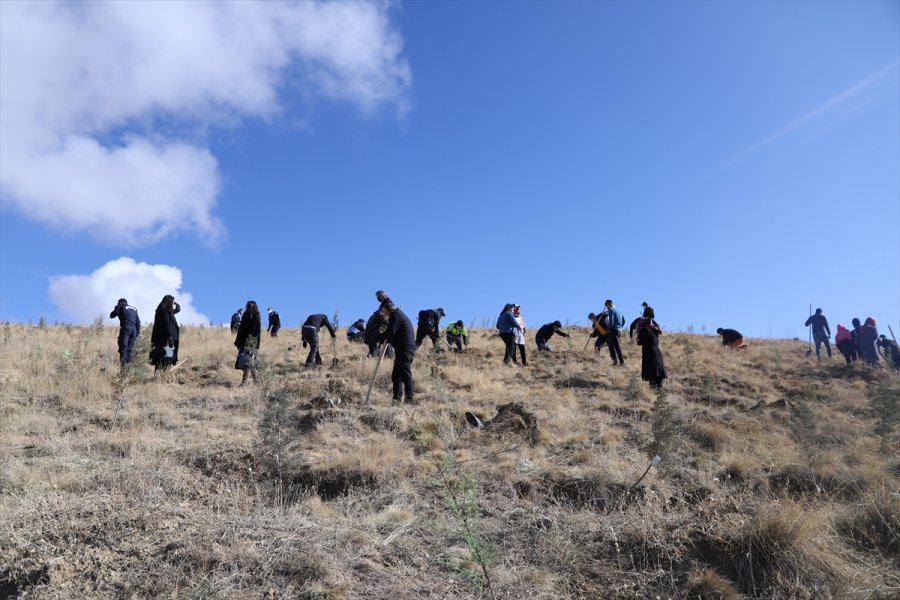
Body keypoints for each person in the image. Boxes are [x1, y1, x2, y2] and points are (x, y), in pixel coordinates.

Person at [375, 299, 416, 402]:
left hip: (405, 349)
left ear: (386, 308)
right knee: (396, 376)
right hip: (402, 349)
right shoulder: (397, 315)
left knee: (405, 374)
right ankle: (396, 399)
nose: (383, 313)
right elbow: (393, 335)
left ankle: (409, 399)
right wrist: (384, 339)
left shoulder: (395, 315)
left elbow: (390, 332)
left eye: (383, 310)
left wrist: (379, 337)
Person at [635, 306, 667, 388]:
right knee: (659, 379)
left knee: (651, 376)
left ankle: (653, 394)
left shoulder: (644, 329)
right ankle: (660, 395)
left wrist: (638, 337)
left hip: (648, 353)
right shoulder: (655, 328)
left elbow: (640, 342)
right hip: (657, 353)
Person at [234, 300, 261, 385]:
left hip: (249, 342)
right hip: (250, 342)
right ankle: (255, 381)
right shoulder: (253, 314)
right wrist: (238, 342)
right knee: (249, 362)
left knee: (247, 362)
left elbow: (253, 330)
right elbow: (242, 329)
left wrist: (246, 341)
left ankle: (245, 381)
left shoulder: (253, 314)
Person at [150, 295, 180, 371]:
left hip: (162, 339)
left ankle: (161, 375)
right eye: (172, 302)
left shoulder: (164, 311)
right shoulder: (164, 312)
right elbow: (166, 325)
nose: (172, 304)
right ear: (169, 302)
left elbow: (177, 310)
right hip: (164, 339)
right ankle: (162, 375)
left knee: (163, 358)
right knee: (165, 358)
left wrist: (176, 304)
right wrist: (169, 336)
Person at [109, 298, 141, 365]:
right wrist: (137, 333)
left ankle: (123, 367)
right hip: (134, 330)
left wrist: (117, 306)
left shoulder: (121, 306)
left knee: (123, 348)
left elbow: (112, 315)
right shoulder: (134, 309)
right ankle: (129, 367)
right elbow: (138, 322)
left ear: (120, 302)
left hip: (126, 328)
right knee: (129, 349)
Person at [604, 299, 626, 366]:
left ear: (609, 304)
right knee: (611, 345)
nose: (607, 308)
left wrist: (608, 329)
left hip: (613, 330)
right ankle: (616, 362)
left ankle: (620, 362)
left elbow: (611, 321)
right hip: (619, 330)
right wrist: (620, 327)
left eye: (607, 306)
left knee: (615, 346)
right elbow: (624, 320)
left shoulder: (611, 310)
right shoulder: (619, 310)